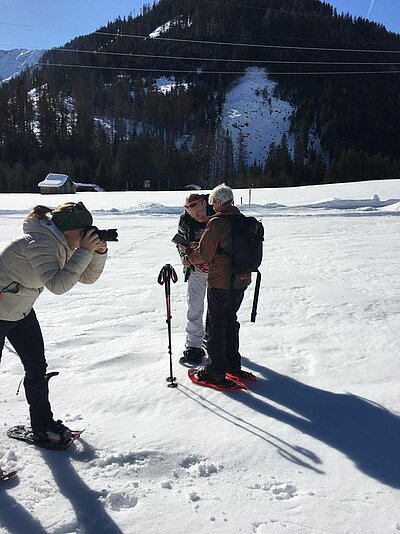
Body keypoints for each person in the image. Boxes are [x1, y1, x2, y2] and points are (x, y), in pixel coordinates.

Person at [0, 201, 107, 445]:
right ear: (70, 230)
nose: (86, 236)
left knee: (36, 368)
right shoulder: (40, 243)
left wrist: (97, 252)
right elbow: (58, 285)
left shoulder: (64, 242)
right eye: (84, 232)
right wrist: (85, 251)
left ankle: (42, 427)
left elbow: (87, 277)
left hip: (20, 311)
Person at [186, 184, 253, 388]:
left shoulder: (216, 223)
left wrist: (189, 256)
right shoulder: (244, 221)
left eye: (213, 203)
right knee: (230, 319)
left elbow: (204, 254)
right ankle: (233, 366)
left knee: (216, 323)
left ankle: (214, 372)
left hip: (220, 282)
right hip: (241, 280)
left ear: (217, 202)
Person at [176, 193, 214, 365]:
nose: (198, 217)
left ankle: (215, 340)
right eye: (193, 215)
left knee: (217, 308)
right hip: (196, 269)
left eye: (199, 212)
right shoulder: (185, 220)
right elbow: (181, 241)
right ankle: (193, 344)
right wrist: (184, 254)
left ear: (204, 203)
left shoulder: (217, 213)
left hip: (218, 269)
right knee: (195, 307)